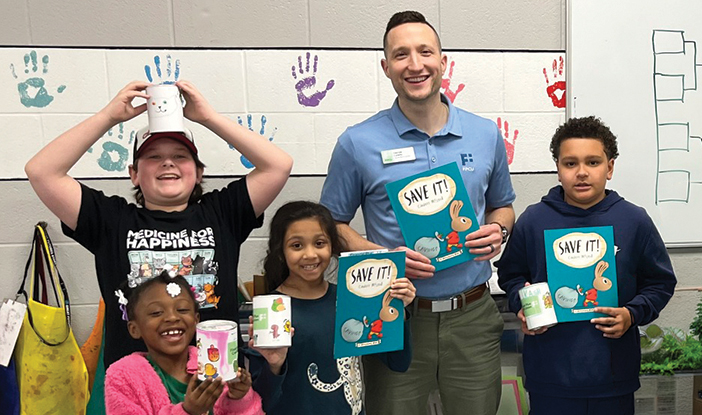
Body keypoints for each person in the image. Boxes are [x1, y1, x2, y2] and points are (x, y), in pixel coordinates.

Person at [319, 10, 515, 415]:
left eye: (425, 52)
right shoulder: (357, 143)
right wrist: (378, 255)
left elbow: (503, 206)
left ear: (443, 61)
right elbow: (330, 225)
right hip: (394, 316)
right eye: (401, 54)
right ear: (386, 66)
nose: (415, 64)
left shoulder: (484, 134)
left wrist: (498, 230)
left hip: (473, 316)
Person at [24, 82, 292, 371]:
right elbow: (41, 171)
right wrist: (108, 117)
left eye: (180, 156)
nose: (167, 163)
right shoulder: (112, 221)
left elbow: (278, 165)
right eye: (153, 157)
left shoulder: (223, 213)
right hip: (135, 382)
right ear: (134, 174)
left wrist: (208, 117)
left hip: (214, 374)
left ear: (199, 172)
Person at [496, 116, 676, 415]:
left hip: (613, 375)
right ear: (557, 169)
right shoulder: (533, 220)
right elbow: (511, 275)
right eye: (570, 163)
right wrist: (522, 305)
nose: (581, 173)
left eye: (593, 162)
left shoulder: (634, 221)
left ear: (610, 167)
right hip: (549, 376)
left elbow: (660, 283)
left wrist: (632, 314)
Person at [247, 201, 416, 415]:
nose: (310, 254)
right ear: (280, 251)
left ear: (332, 247)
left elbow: (398, 363)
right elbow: (259, 402)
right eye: (297, 245)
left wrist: (398, 314)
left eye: (319, 243)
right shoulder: (271, 310)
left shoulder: (351, 300)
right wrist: (274, 366)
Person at [105, 272, 263, 415]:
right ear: (134, 329)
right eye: (156, 312)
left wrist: (239, 399)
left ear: (196, 320)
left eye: (182, 310)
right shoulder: (123, 377)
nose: (172, 318)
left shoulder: (215, 363)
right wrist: (188, 412)